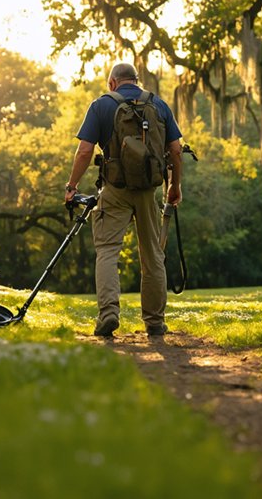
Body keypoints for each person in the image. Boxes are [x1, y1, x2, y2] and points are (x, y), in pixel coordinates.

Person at [65, 62, 183, 338]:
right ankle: (154, 322)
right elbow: (175, 150)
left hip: (114, 189)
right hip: (147, 192)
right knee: (153, 255)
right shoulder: (159, 105)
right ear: (136, 80)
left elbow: (84, 151)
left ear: (112, 83)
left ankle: (108, 315)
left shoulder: (101, 105)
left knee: (107, 251)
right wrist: (174, 187)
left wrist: (71, 186)